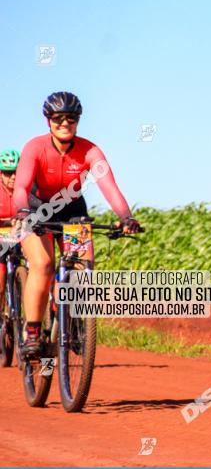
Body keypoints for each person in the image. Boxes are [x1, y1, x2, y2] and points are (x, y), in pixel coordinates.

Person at [14, 91, 141, 358]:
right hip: (36, 209)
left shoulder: (90, 150)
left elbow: (109, 187)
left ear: (78, 120)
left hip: (73, 212)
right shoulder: (34, 147)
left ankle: (73, 323)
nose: (64, 123)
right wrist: (22, 211)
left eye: (70, 118)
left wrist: (125, 217)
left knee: (84, 266)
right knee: (43, 264)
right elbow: (22, 186)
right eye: (58, 118)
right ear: (48, 120)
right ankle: (33, 332)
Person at [0, 150, 20, 314]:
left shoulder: (27, 189)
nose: (13, 176)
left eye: (16, 172)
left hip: (20, 236)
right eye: (8, 173)